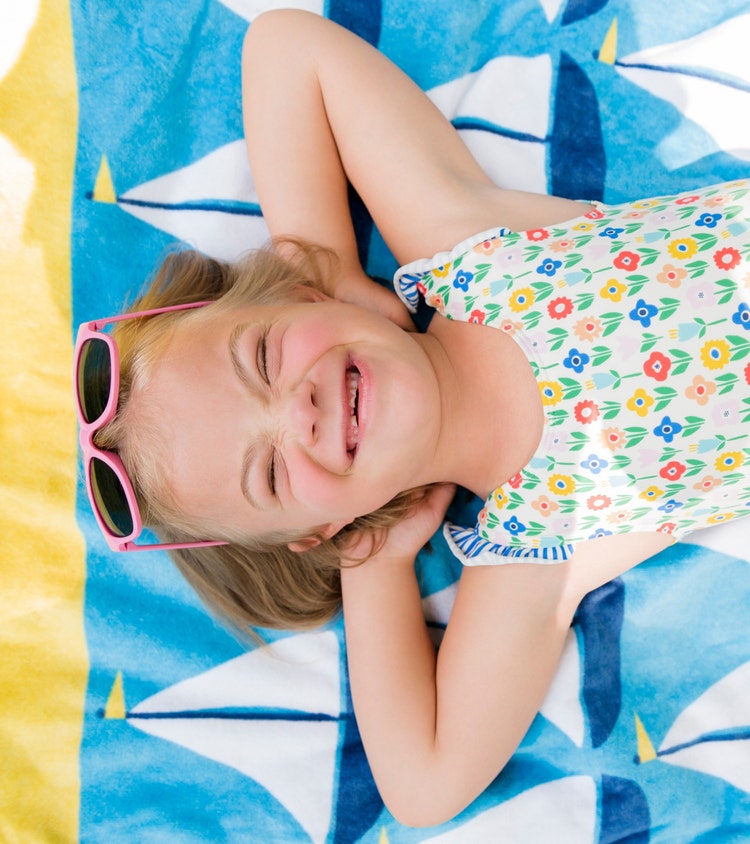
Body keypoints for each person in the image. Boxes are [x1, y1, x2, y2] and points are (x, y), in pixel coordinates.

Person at [74, 10, 750, 827]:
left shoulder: (467, 242)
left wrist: (316, 260)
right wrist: (373, 559)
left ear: (293, 299)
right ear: (318, 527)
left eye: (262, 358)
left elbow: (285, 48)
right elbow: (421, 787)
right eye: (275, 472)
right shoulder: (534, 552)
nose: (300, 409)